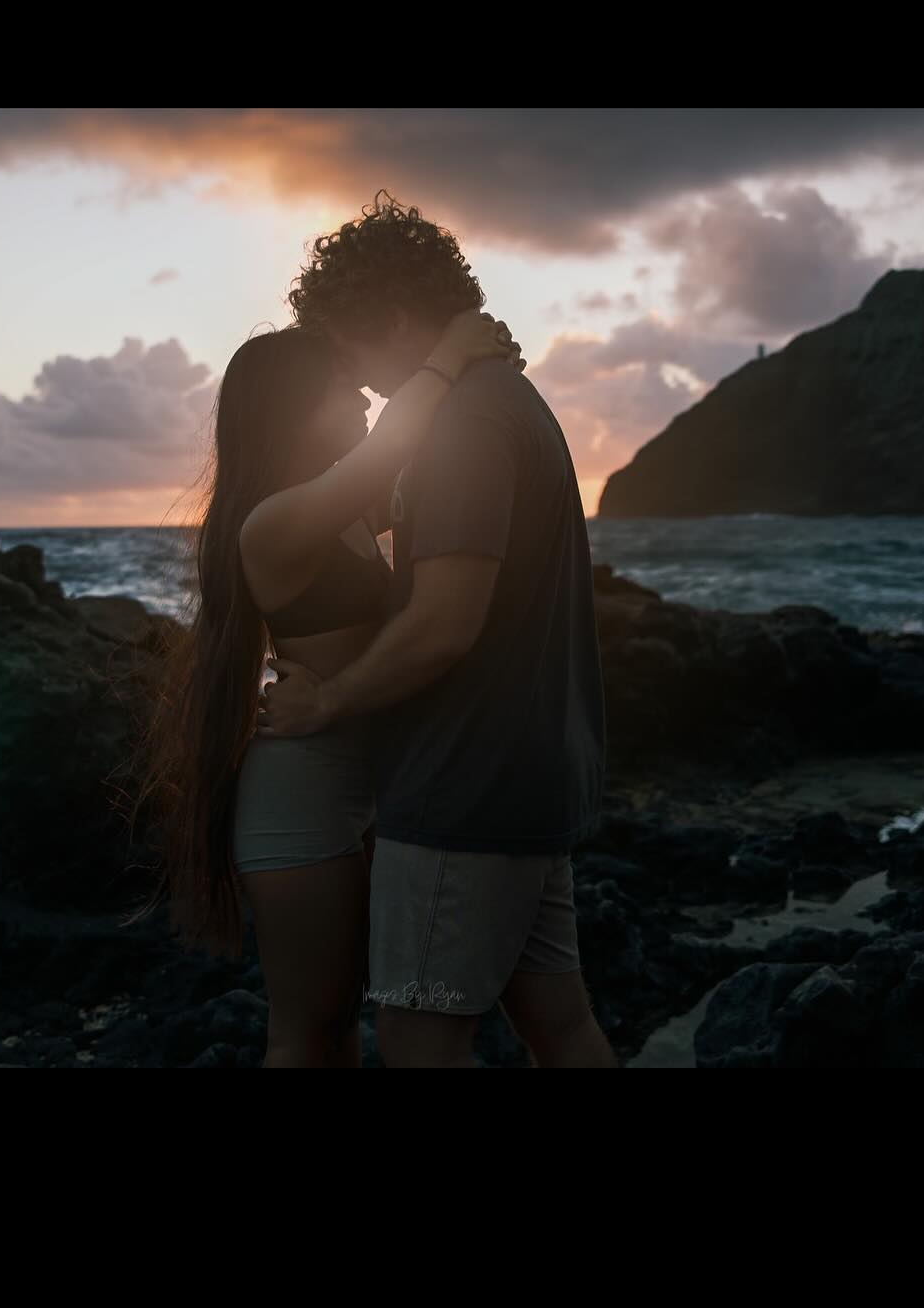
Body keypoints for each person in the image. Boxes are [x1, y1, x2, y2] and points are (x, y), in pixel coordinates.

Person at [259, 192, 617, 1068]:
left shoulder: (467, 422)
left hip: (464, 784)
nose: (361, 381)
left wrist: (329, 701)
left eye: (350, 352)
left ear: (390, 315)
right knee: (561, 1028)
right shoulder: (503, 398)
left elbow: (444, 625)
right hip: (533, 774)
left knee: (420, 1039)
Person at [118, 302, 522, 1067]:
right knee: (310, 1028)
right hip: (299, 804)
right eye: (344, 387)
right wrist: (449, 349)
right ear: (294, 411)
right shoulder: (273, 523)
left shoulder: (340, 509)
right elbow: (395, 446)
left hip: (360, 783)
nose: (364, 399)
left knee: (341, 1023)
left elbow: (422, 467)